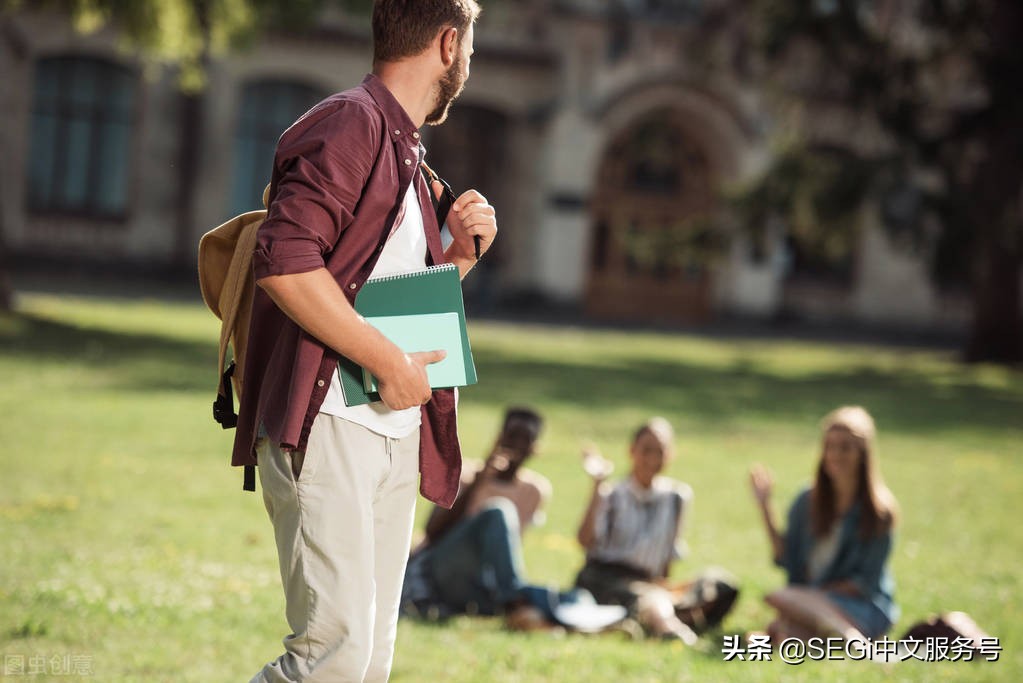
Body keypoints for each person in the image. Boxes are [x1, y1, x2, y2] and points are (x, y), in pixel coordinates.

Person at [233, 2, 495, 681]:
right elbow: (285, 263)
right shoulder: (352, 122)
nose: (469, 58)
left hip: (389, 432)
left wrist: (457, 260)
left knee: (365, 665)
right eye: (470, 44)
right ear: (447, 44)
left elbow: (377, 297)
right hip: (331, 424)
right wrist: (386, 362)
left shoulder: (406, 148)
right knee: (332, 662)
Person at [749, 405, 900, 645]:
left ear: (863, 453)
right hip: (806, 602)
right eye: (830, 446)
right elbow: (785, 557)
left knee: (781, 598)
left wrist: (810, 598)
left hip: (862, 608)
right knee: (781, 633)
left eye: (845, 447)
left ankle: (856, 643)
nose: (835, 454)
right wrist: (765, 507)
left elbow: (863, 584)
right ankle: (844, 641)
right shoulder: (806, 501)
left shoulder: (879, 512)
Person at [400, 406, 550, 619]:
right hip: (440, 569)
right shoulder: (465, 474)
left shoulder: (534, 491)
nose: (515, 445)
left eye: (524, 439)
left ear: (534, 448)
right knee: (498, 511)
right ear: (499, 437)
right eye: (511, 436)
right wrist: (478, 483)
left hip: (480, 579)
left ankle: (515, 603)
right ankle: (516, 599)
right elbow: (432, 532)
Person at [572, 417, 704, 643]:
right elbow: (584, 541)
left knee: (718, 585)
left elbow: (667, 554)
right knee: (649, 598)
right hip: (606, 577)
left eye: (660, 452)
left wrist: (662, 585)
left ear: (670, 455)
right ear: (632, 451)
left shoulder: (677, 497)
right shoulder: (611, 494)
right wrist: (596, 486)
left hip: (649, 582)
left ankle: (645, 617)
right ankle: (672, 630)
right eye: (646, 450)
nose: (652, 459)